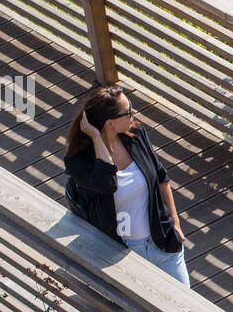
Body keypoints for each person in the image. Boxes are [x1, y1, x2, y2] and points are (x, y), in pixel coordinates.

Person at [63, 85, 191, 287]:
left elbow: (160, 176)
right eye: (128, 111)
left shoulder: (137, 135)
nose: (134, 113)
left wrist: (175, 222)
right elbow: (107, 184)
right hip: (122, 255)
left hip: (163, 244)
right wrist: (97, 138)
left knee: (186, 310)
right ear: (110, 124)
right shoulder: (79, 162)